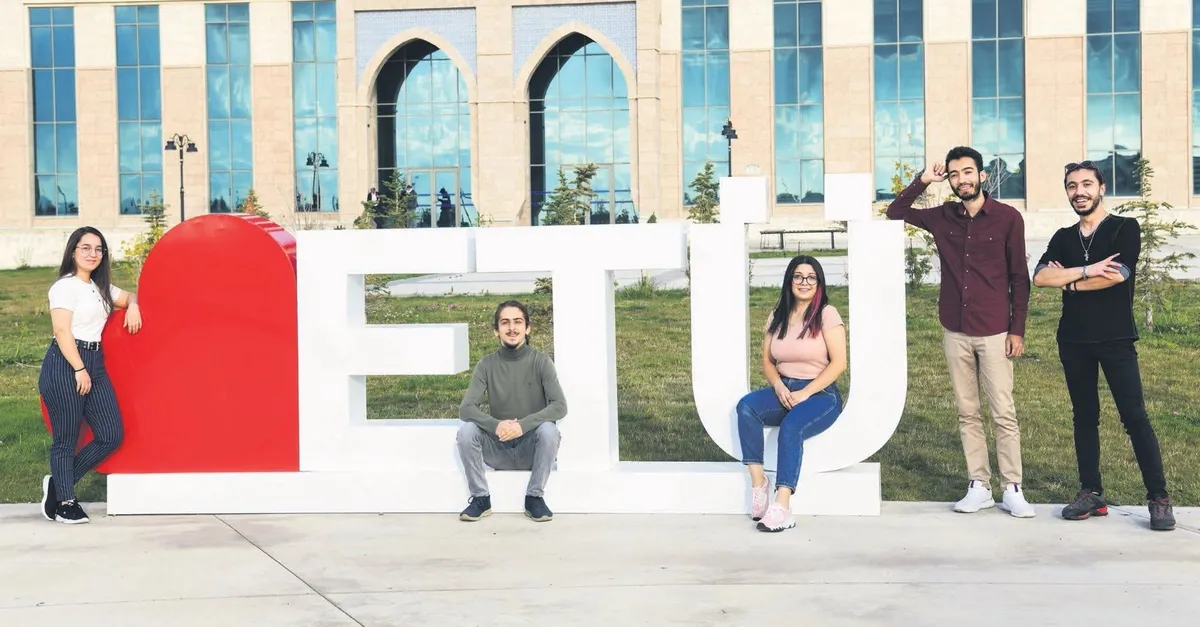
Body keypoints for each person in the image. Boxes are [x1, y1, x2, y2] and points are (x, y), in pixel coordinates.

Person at [885, 146, 1035, 518]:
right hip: (955, 330)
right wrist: (924, 180)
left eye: (967, 172)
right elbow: (895, 212)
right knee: (967, 412)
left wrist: (1017, 330)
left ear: (981, 175)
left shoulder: (1008, 218)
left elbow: (1020, 277)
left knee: (1003, 412)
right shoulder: (942, 216)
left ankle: (1012, 488)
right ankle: (979, 485)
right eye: (954, 174)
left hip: (995, 330)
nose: (961, 179)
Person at [1031, 160, 1175, 531]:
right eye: (1071, 185)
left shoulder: (1125, 228)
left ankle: (1159, 497)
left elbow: (1117, 275)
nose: (1078, 191)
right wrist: (1086, 271)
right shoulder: (1063, 236)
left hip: (1116, 339)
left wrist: (1069, 282)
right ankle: (1091, 492)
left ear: (1101, 188)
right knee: (1084, 417)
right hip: (1073, 340)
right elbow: (1041, 277)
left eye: (1086, 184)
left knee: (1134, 417)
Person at [39, 227, 142, 524]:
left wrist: (133, 305)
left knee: (111, 434)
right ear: (73, 251)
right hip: (66, 362)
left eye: (98, 249)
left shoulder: (100, 287)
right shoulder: (65, 287)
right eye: (85, 248)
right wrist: (78, 368)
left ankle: (59, 483)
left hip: (94, 362)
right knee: (66, 439)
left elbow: (129, 295)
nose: (92, 254)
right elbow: (62, 331)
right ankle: (65, 503)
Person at [736, 256, 847, 532]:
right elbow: (767, 361)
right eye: (798, 276)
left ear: (819, 283)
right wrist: (779, 386)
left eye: (811, 277)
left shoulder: (827, 314)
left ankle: (782, 506)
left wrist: (806, 392)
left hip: (820, 394)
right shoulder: (777, 316)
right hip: (785, 388)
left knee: (791, 426)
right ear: (789, 280)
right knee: (747, 407)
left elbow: (839, 363)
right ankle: (759, 483)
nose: (804, 282)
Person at [457, 300, 566, 522]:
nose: (512, 328)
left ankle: (535, 497)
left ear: (527, 328)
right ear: (496, 330)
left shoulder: (541, 362)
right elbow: (466, 408)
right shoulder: (486, 364)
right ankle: (480, 498)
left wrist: (522, 426)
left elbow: (559, 405)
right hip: (498, 447)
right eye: (505, 322)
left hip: (531, 449)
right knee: (466, 431)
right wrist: (496, 425)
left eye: (518, 322)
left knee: (549, 430)